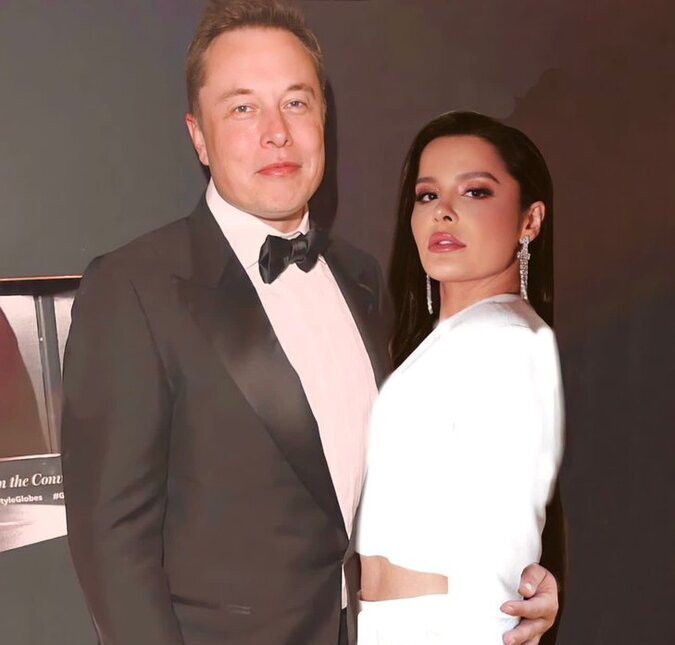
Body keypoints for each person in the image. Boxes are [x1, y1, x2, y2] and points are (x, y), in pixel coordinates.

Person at [61, 2, 560, 644]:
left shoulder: (362, 279)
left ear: (323, 118)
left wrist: (511, 585)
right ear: (198, 136)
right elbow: (112, 549)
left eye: (296, 103)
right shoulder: (134, 289)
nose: (277, 133)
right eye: (243, 107)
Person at [357, 111, 565, 644]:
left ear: (530, 220)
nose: (442, 211)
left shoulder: (507, 341)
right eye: (427, 195)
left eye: (475, 192)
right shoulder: (441, 345)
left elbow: (506, 539)